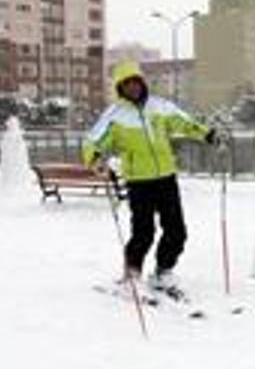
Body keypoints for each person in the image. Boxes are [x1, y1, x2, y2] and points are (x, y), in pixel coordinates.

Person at [83, 60, 220, 291]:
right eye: (126, 84)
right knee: (143, 232)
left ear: (142, 83)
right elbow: (92, 140)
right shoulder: (115, 115)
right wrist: (95, 158)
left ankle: (163, 270)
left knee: (177, 230)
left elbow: (184, 123)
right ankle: (132, 273)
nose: (133, 87)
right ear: (120, 88)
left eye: (135, 82)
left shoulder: (160, 107)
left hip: (166, 177)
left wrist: (207, 135)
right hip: (139, 181)